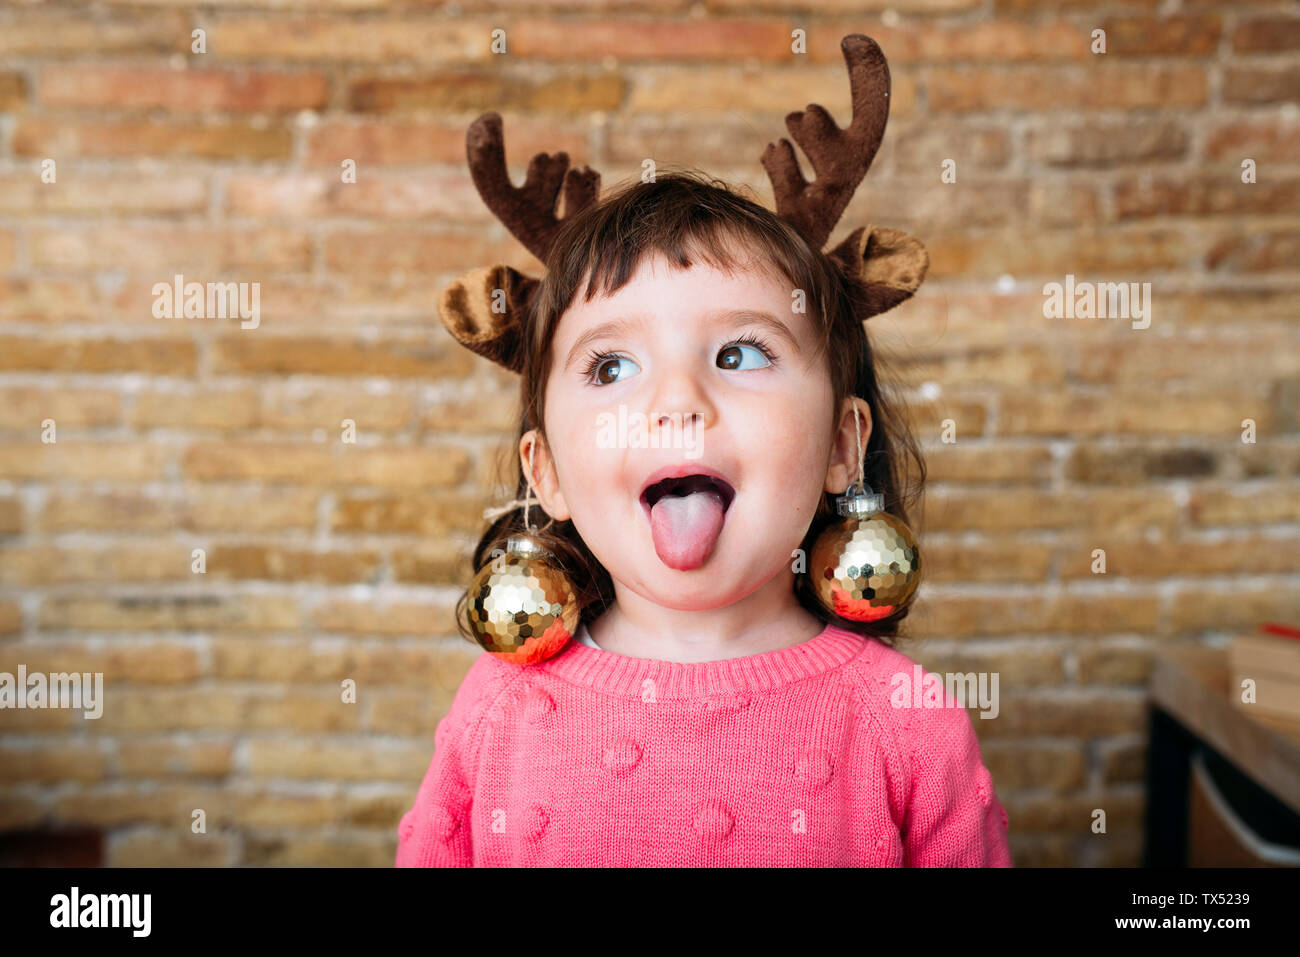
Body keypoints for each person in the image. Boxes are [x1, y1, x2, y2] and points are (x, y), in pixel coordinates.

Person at [397, 34, 1012, 866]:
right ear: (546, 474)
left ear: (842, 443)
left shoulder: (907, 718)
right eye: (612, 365)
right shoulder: (495, 712)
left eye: (739, 354)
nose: (677, 401)